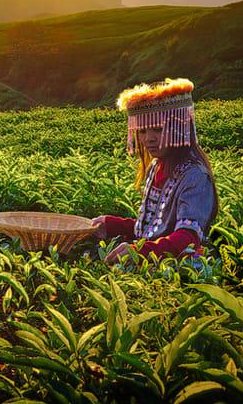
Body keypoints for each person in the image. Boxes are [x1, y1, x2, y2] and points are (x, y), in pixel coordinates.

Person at [92, 78, 218, 265]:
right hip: (152, 263)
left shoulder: (195, 176)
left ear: (179, 128)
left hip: (182, 271)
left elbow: (187, 238)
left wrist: (139, 251)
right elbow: (154, 229)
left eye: (158, 129)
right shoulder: (156, 166)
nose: (148, 139)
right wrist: (111, 224)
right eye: (142, 131)